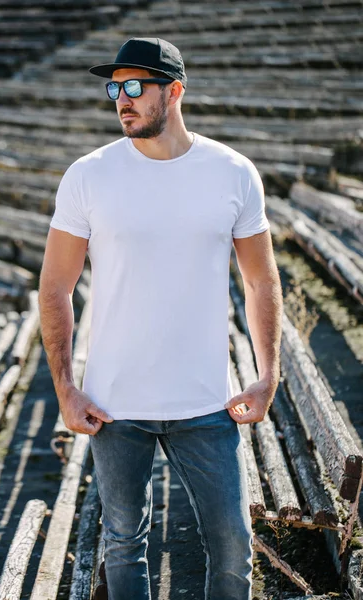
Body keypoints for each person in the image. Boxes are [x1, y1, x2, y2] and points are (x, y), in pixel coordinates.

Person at [38, 37, 283, 600]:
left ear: (173, 91)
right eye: (114, 88)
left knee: (231, 547)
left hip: (207, 403)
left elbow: (262, 280)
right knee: (124, 546)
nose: (120, 100)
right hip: (114, 406)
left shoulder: (233, 173)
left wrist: (268, 374)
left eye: (134, 87)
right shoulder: (88, 175)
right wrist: (65, 389)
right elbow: (55, 286)